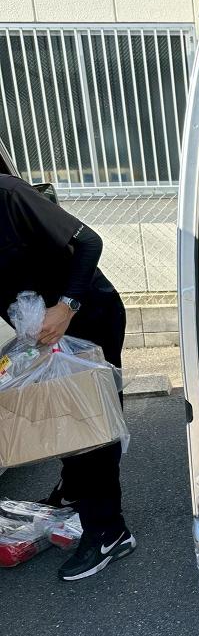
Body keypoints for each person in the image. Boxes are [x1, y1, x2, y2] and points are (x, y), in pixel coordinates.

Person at [0, 175, 135, 582]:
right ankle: (74, 493)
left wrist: (65, 307)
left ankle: (109, 532)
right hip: (37, 331)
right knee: (59, 413)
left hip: (85, 315)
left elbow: (90, 241)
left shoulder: (8, 194)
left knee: (89, 423)